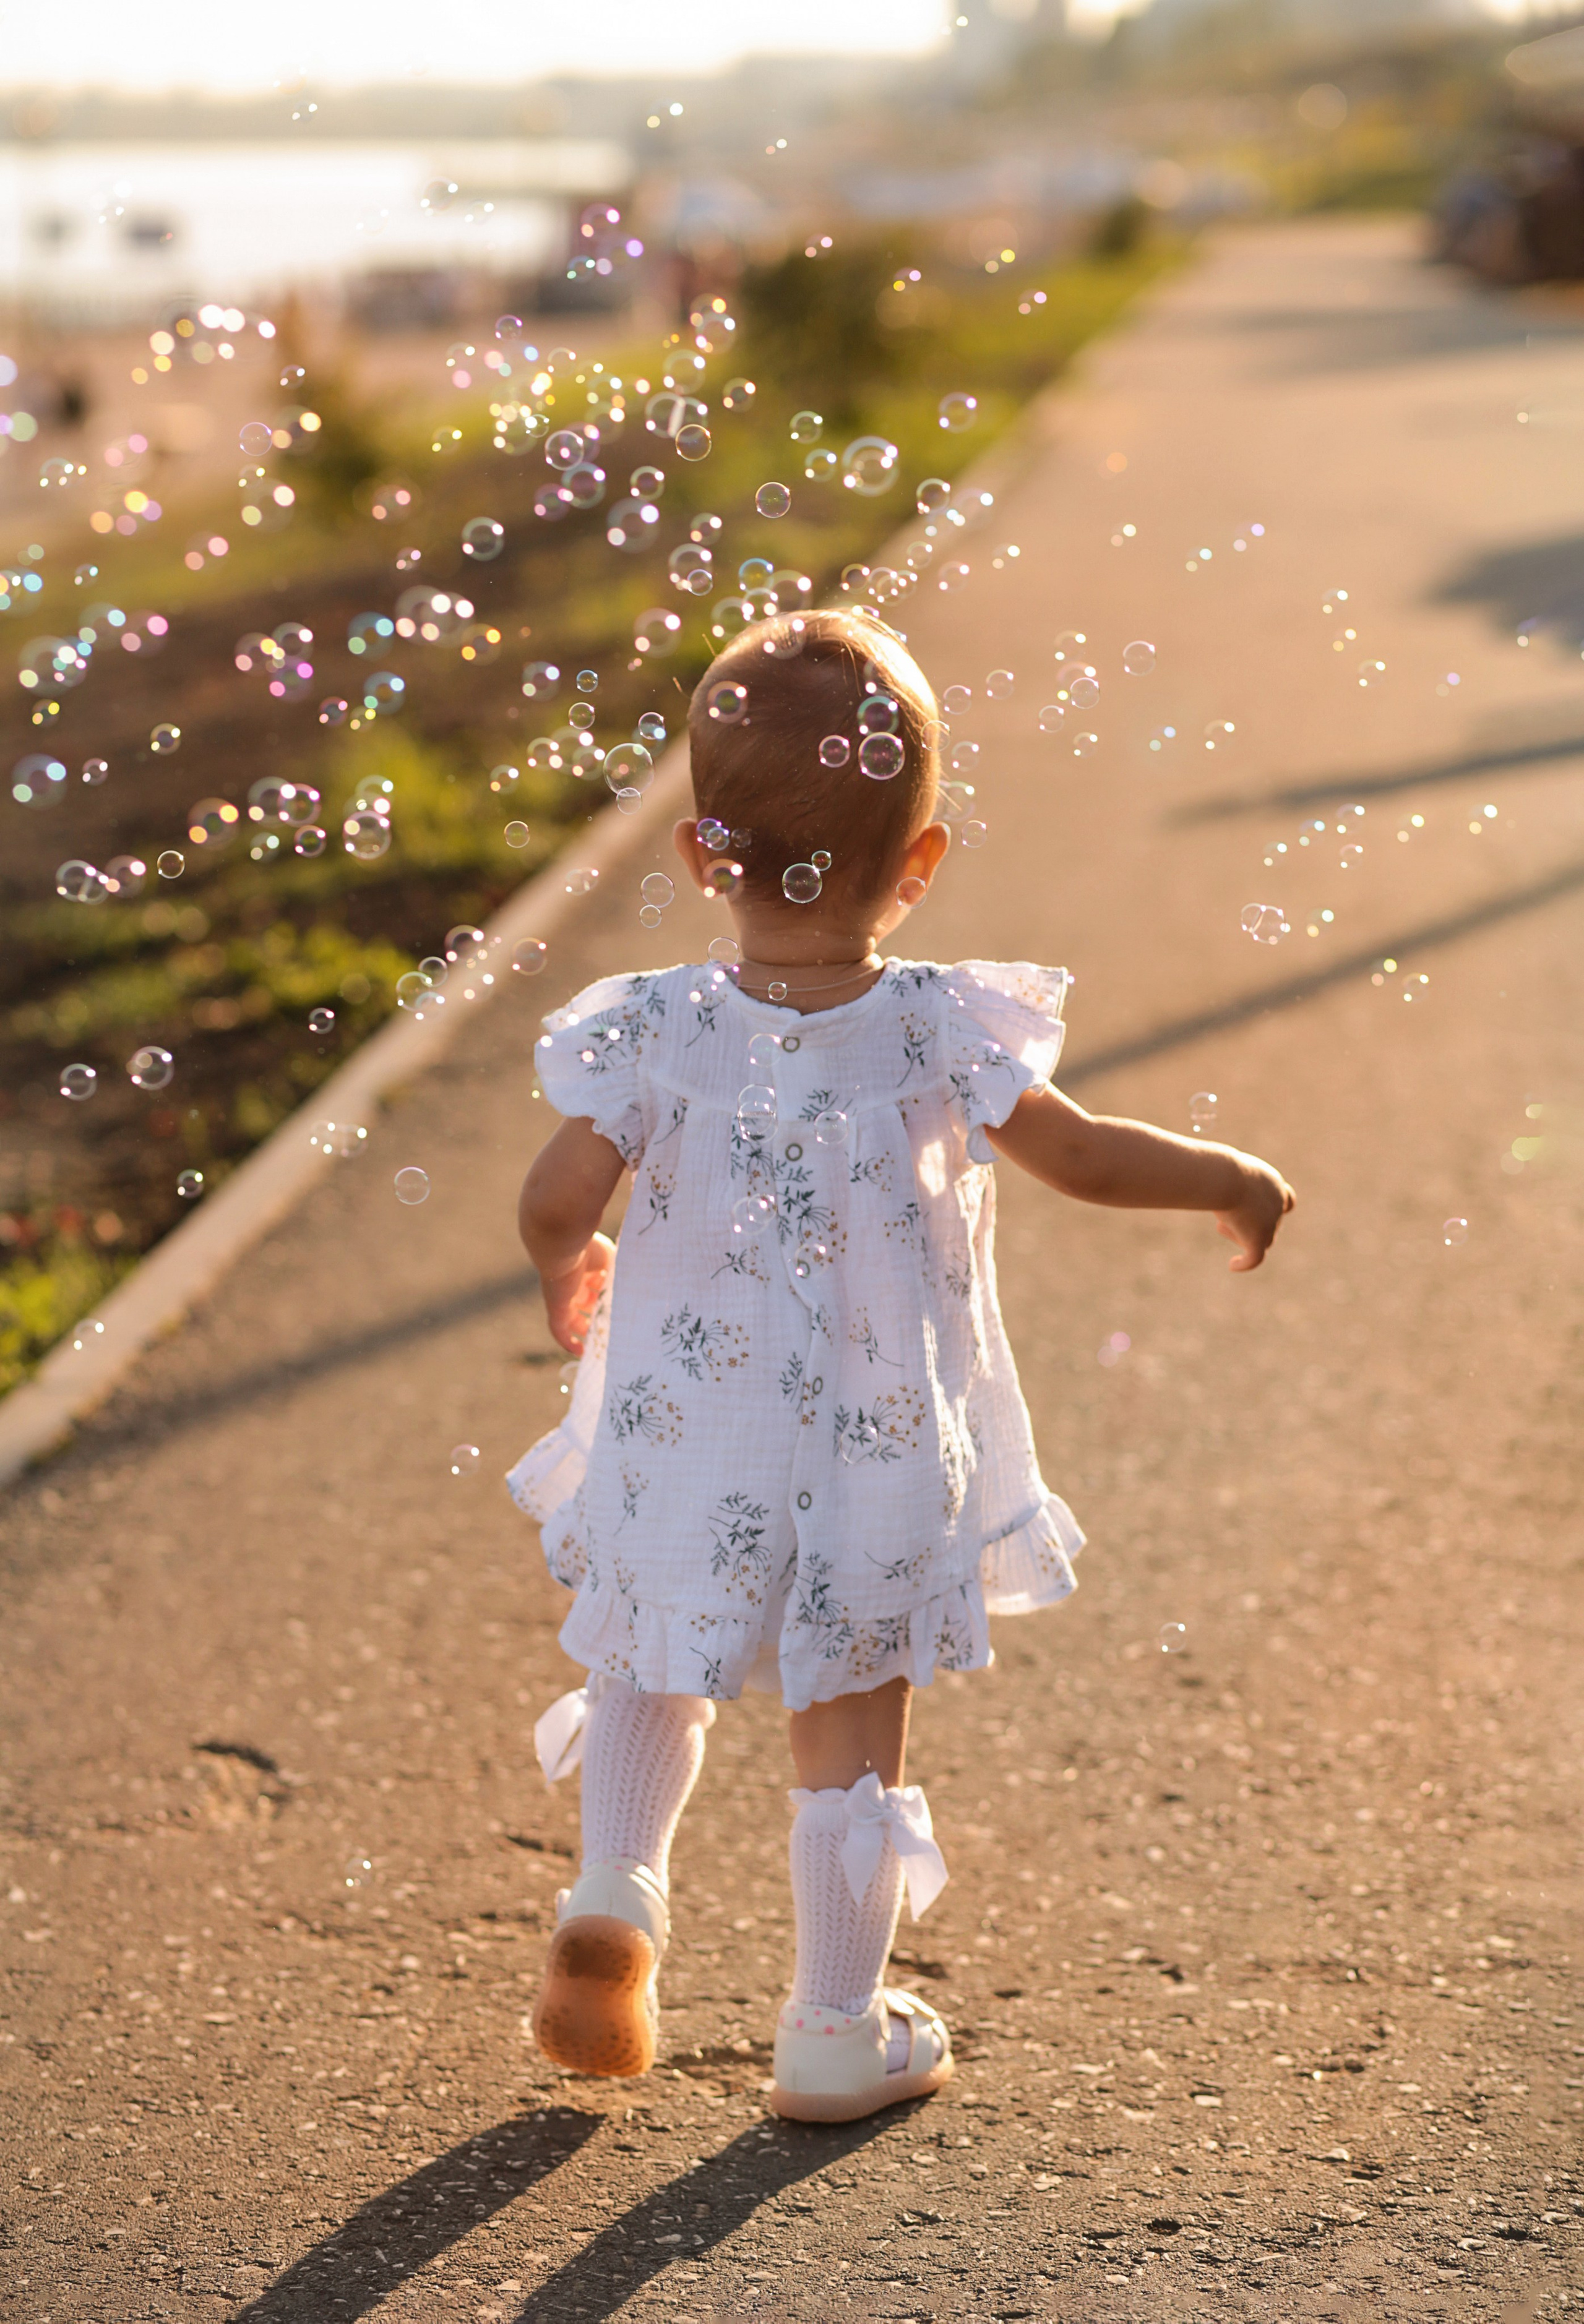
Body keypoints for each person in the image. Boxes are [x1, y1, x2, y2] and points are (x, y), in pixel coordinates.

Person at [510, 607, 1294, 2122]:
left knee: (650, 1651)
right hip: (877, 1444)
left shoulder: (657, 1032)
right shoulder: (940, 1028)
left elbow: (553, 1198)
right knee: (848, 1716)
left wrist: (568, 1263)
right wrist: (1223, 1172)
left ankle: (614, 1890)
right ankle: (827, 2026)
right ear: (919, 861)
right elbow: (1078, 1157)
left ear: (697, 858)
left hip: (689, 1430)